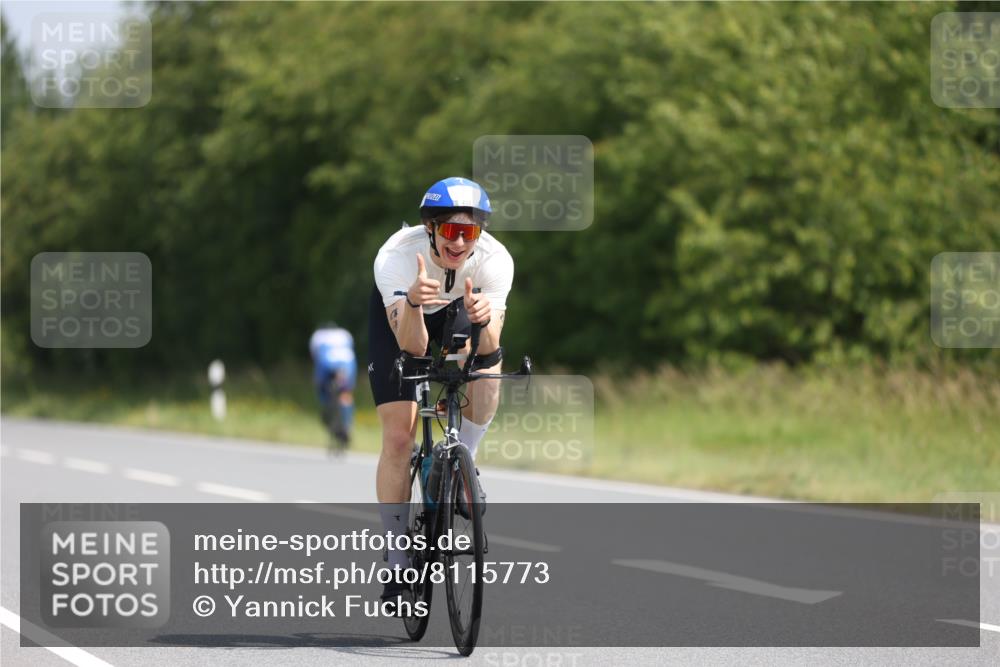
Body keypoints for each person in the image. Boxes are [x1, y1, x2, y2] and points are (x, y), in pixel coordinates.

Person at [368, 177, 513, 606]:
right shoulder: (395, 257)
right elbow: (412, 347)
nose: (460, 242)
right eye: (451, 230)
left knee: (486, 375)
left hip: (459, 311)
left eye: (469, 232)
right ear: (431, 227)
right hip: (405, 312)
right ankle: (397, 560)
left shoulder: (494, 261)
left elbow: (489, 351)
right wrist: (412, 302)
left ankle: (461, 460)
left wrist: (485, 321)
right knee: (398, 437)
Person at [309, 322, 357, 452]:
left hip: (326, 365)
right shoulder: (345, 334)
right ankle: (347, 425)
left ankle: (327, 410)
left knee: (322, 390)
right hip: (347, 365)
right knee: (346, 393)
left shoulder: (318, 335)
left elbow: (315, 356)